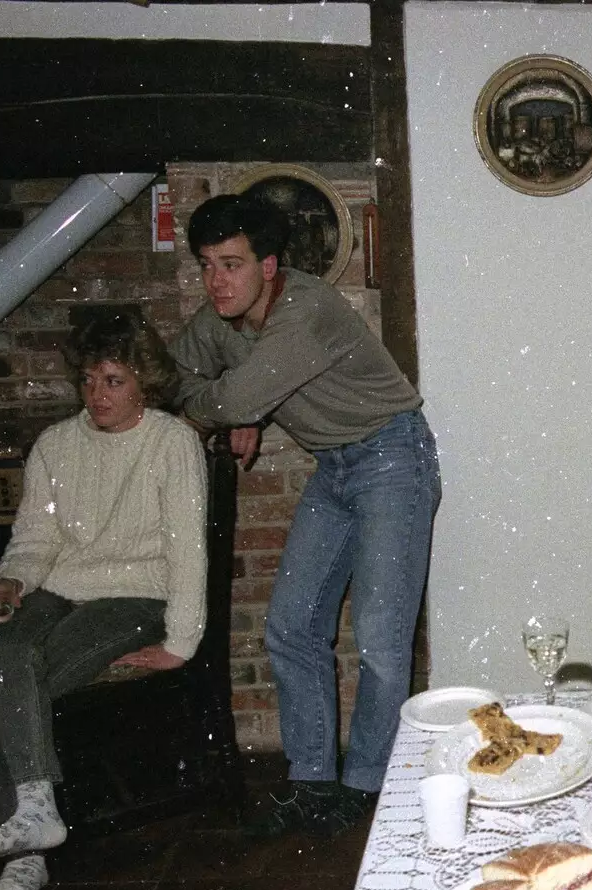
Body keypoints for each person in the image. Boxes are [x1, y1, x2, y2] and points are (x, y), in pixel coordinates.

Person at [168, 194, 441, 839]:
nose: (217, 283)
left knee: (379, 637)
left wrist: (243, 407)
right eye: (207, 266)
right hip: (335, 467)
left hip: (392, 458)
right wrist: (243, 408)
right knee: (291, 626)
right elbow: (176, 370)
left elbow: (233, 393)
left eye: (231, 265)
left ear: (270, 266)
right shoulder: (222, 318)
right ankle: (313, 778)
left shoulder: (306, 308)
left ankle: (367, 784)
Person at [0, 310, 207, 890]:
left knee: (16, 686)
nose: (97, 394)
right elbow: (34, 541)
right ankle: (37, 810)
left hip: (138, 595)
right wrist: (11, 584)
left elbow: (187, 549)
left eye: (114, 380)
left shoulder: (171, 442)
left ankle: (27, 853)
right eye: (88, 381)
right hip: (59, 587)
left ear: (143, 381)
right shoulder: (55, 445)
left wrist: (181, 640)